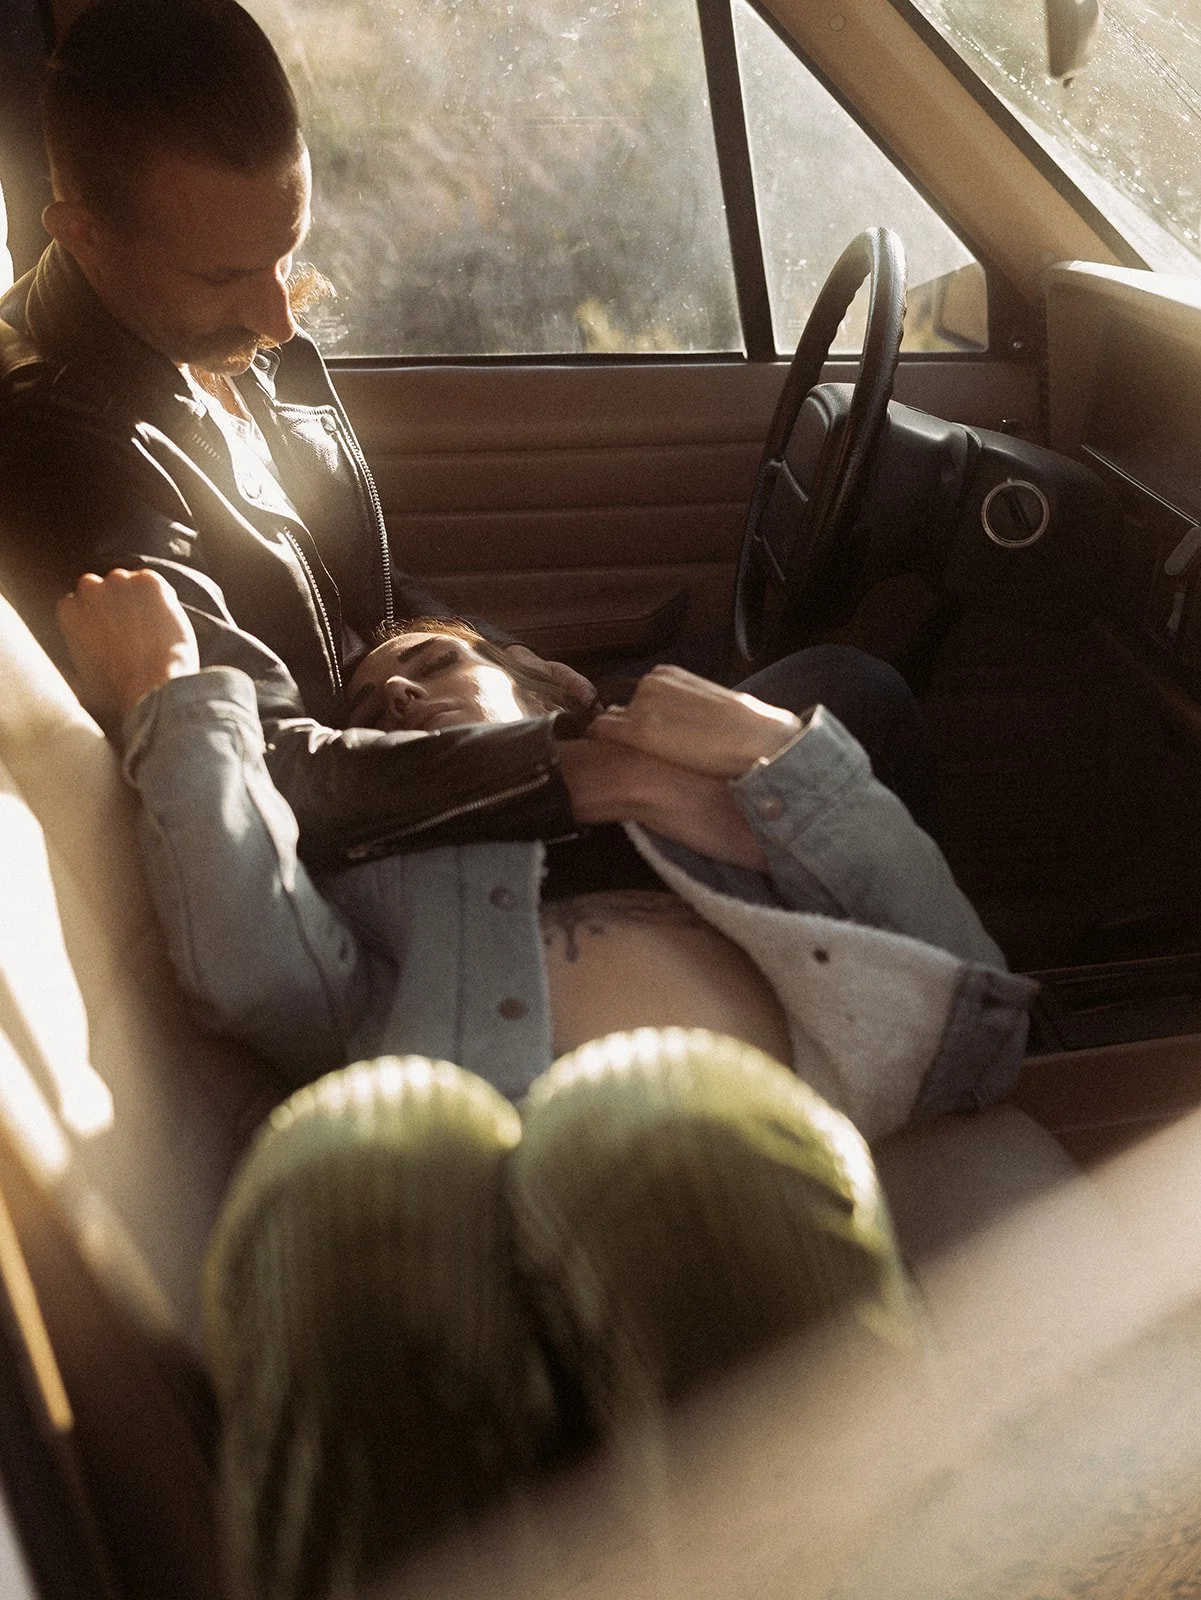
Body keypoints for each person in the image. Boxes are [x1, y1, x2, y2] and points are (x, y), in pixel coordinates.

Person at [0, 0, 936, 883]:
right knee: (852, 699)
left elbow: (353, 594)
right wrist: (577, 770)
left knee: (784, 689)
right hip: (386, 853)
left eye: (289, 254)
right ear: (83, 234)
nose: (280, 318)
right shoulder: (62, 453)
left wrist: (505, 659)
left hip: (432, 752)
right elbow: (248, 767)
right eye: (225, 276)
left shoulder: (234, 346)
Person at [59, 566, 1033, 1138]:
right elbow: (257, 975)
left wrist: (775, 749)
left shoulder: (731, 817)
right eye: (368, 711)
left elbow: (968, 991)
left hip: (800, 1141)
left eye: (437, 662)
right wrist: (168, 691)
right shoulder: (384, 886)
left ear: (548, 687)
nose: (398, 697)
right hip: (551, 1162)